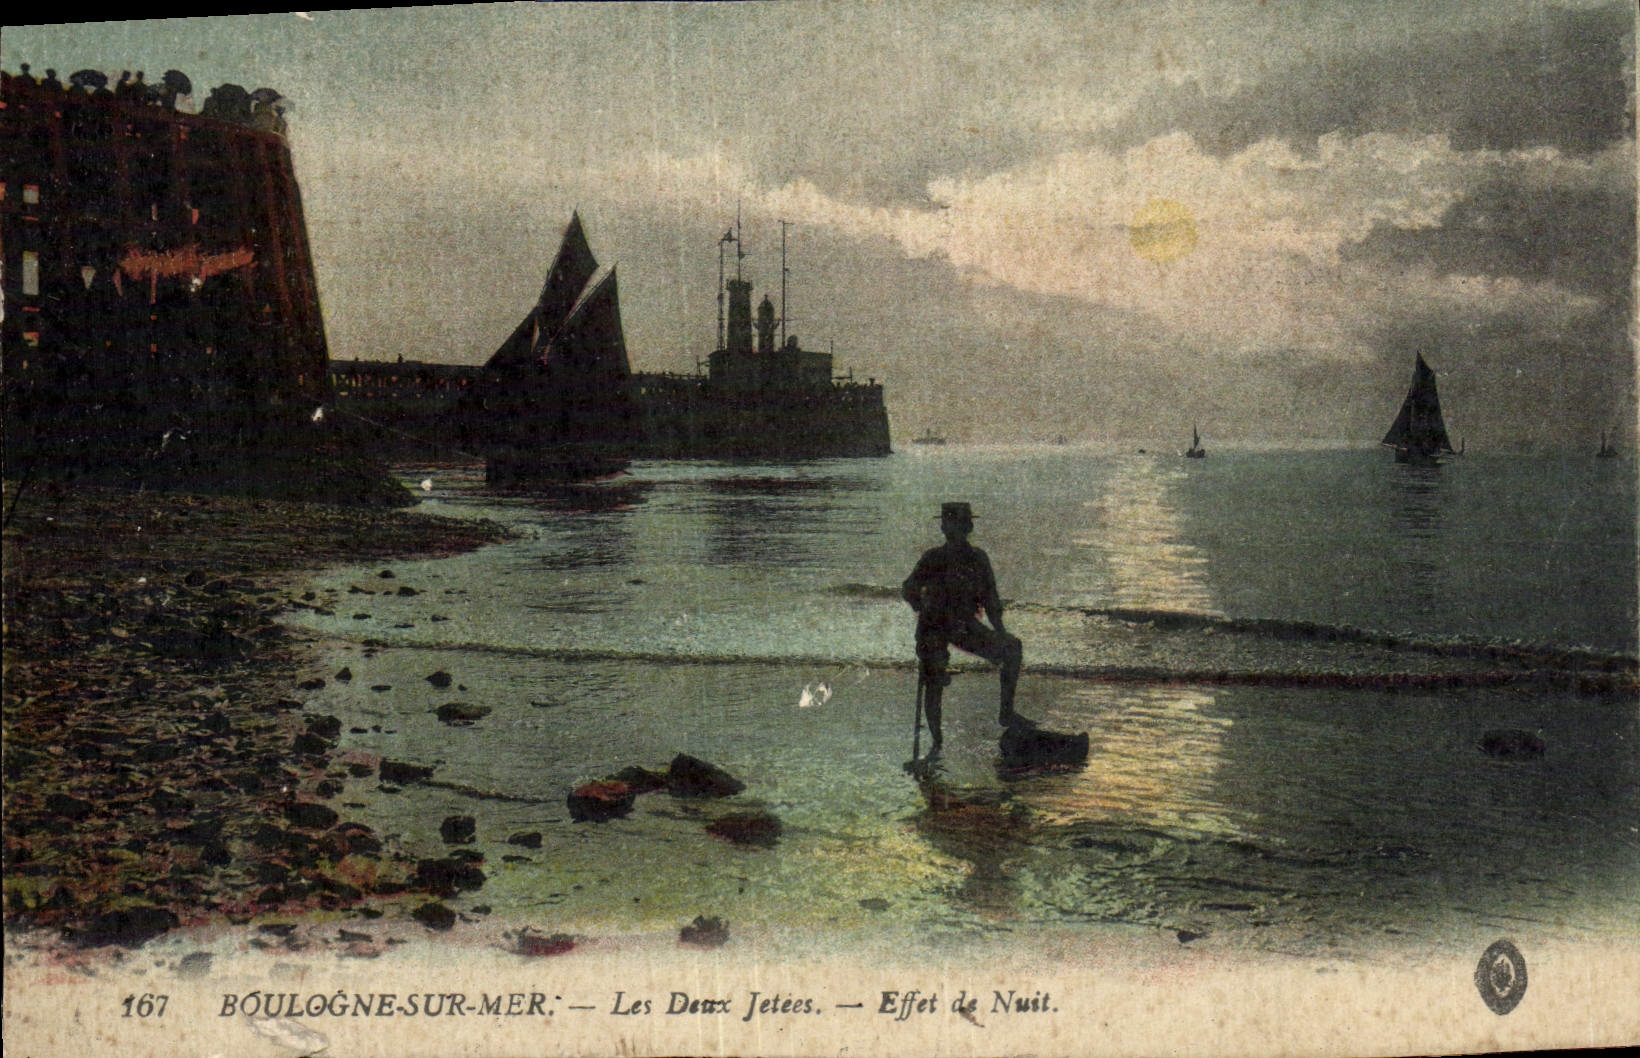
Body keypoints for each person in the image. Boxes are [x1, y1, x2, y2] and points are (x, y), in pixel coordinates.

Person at [901, 501, 1024, 750]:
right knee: (933, 678)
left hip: (963, 625)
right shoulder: (933, 557)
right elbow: (908, 588)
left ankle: (1006, 713)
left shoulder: (978, 558)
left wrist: (1000, 632)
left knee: (1012, 648)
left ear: (967, 527)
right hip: (933, 627)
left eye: (958, 523)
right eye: (948, 524)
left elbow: (991, 600)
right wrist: (920, 607)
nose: (952, 529)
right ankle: (936, 741)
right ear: (944, 528)